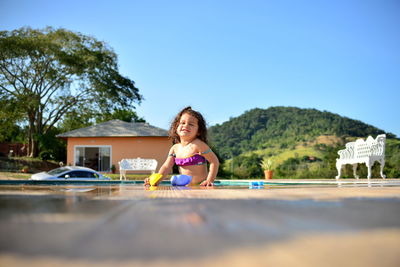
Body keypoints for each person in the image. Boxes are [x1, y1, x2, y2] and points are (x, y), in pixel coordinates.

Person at [144, 106, 219, 186]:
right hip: (185, 187)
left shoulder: (198, 145)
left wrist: (209, 180)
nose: (186, 126)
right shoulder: (175, 148)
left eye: (191, 124)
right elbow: (166, 167)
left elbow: (214, 161)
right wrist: (156, 180)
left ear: (199, 131)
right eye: (182, 123)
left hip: (200, 186)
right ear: (176, 127)